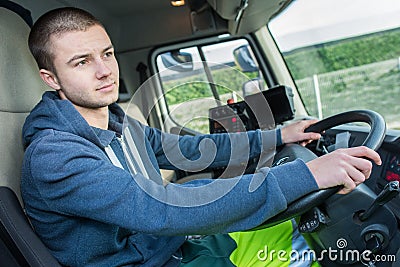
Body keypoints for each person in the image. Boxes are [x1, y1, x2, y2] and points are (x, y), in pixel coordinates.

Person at [21, 7, 381, 267]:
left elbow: (192, 150)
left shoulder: (118, 123)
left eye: (108, 54)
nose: (104, 71)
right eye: (81, 62)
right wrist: (308, 174)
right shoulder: (54, 156)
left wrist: (278, 135)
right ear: (51, 78)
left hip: (174, 246)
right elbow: (161, 206)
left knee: (301, 239)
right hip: (152, 259)